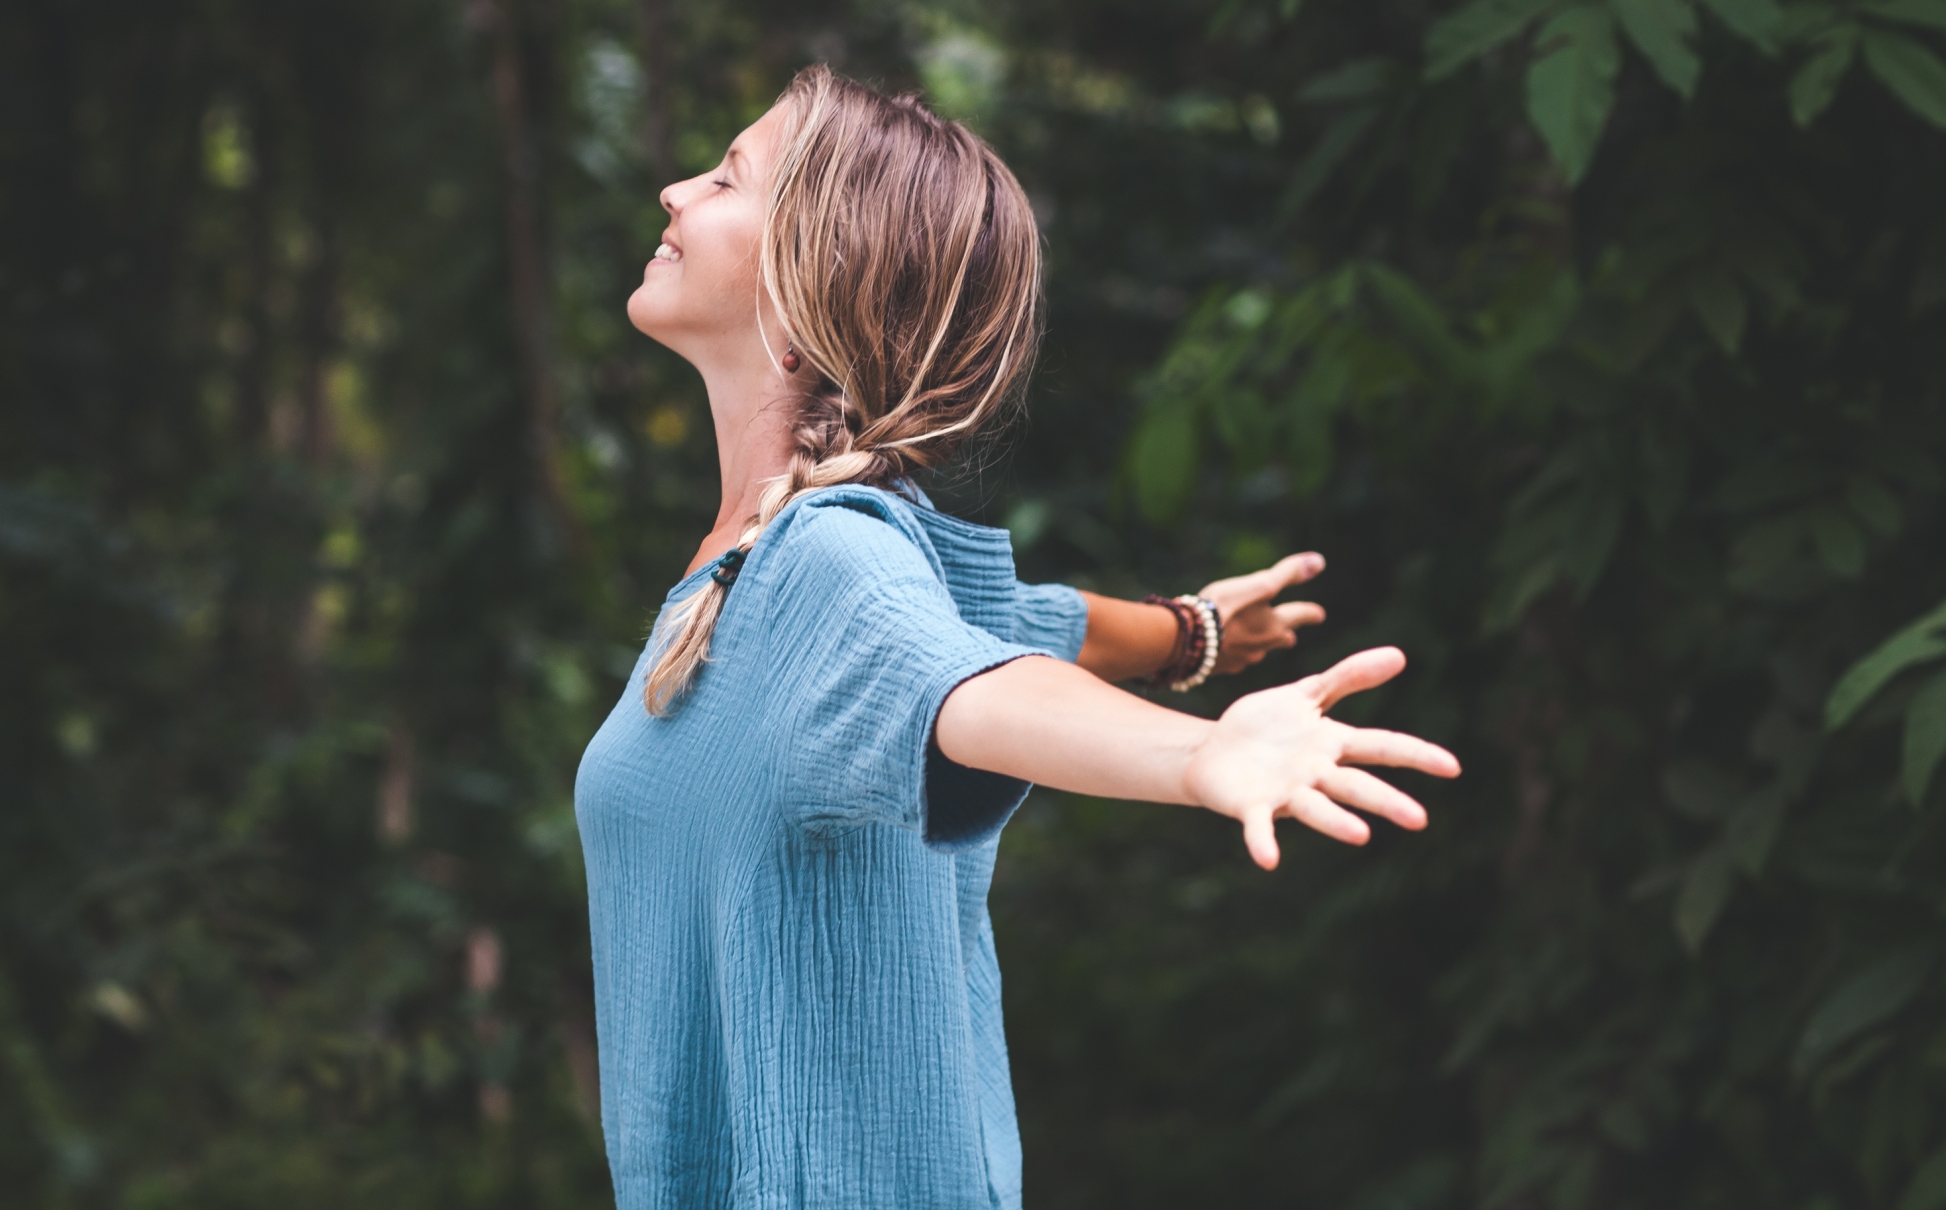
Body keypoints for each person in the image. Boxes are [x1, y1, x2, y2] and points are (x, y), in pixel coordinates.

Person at [574, 66, 1461, 1209]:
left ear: (806, 289)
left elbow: (980, 688)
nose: (671, 192)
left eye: (724, 176)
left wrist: (1191, 759)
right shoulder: (757, 568)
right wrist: (1186, 635)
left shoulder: (826, 564)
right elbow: (1015, 623)